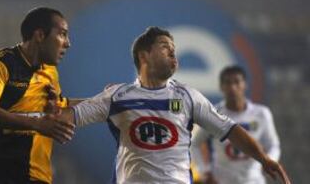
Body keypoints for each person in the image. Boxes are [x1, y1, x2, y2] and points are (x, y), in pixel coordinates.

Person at [57, 26, 291, 184]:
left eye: (174, 48)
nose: (172, 52)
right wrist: (35, 116)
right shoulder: (117, 97)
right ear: (144, 56)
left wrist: (263, 158)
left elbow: (230, 130)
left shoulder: (188, 97)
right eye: (164, 46)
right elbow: (68, 116)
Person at [0, 7, 76, 184]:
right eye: (62, 34)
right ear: (39, 35)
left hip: (35, 176)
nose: (68, 43)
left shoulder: (50, 72)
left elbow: (59, 106)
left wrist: (108, 100)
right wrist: (37, 124)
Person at [192, 65, 281, 184]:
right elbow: (195, 144)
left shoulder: (261, 114)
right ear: (221, 87)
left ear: (245, 85)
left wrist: (268, 161)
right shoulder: (214, 114)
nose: (233, 87)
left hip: (253, 180)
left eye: (237, 82)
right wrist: (204, 171)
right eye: (227, 83)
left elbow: (273, 145)